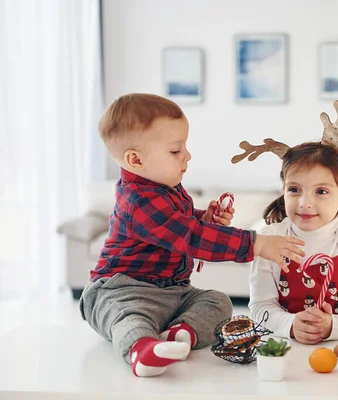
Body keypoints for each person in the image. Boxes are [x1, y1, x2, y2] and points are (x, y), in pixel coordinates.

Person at [79, 93, 304, 377]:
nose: (187, 155)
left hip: (173, 291)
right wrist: (256, 243)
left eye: (185, 146)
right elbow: (191, 237)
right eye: (175, 151)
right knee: (128, 318)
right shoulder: (138, 200)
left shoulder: (164, 187)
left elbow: (176, 225)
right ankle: (141, 350)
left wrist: (203, 218)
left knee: (218, 301)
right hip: (122, 290)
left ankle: (179, 334)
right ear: (135, 159)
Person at [233, 101, 338, 344]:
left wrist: (331, 326)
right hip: (283, 348)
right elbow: (260, 307)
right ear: (283, 190)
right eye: (294, 190)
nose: (305, 203)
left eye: (321, 191)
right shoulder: (268, 240)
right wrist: (290, 325)